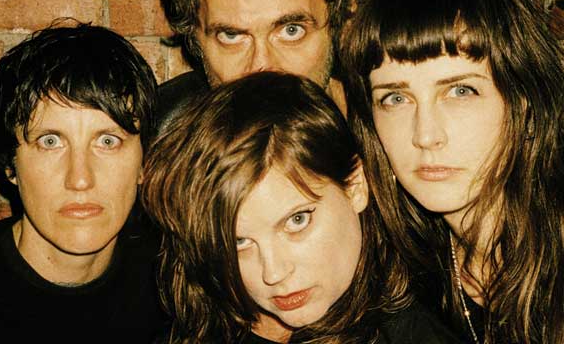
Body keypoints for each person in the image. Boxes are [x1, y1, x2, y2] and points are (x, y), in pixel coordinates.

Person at [141, 72, 464, 343]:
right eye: (239, 242)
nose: (273, 273)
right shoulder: (192, 324)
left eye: (296, 221)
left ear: (355, 186)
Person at [343, 0, 564, 344]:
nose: (425, 135)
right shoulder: (400, 274)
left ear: (525, 105)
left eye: (461, 91)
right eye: (395, 98)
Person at [0, 22, 168, 342]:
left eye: (108, 141)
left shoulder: (178, 289)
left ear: (144, 162)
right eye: (50, 142)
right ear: (10, 165)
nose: (80, 179)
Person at [144, 0, 380, 127]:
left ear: (344, 14)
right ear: (194, 35)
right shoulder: (150, 141)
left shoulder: (390, 133)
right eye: (231, 35)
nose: (262, 68)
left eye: (291, 31)